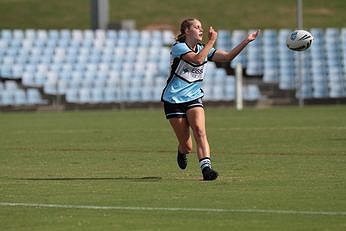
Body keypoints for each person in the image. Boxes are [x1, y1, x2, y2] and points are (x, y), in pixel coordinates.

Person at [161, 18, 260, 181]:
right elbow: (198, 59)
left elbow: (227, 57)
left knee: (200, 131)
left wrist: (246, 41)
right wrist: (212, 40)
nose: (201, 30)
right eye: (197, 27)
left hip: (193, 97)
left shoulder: (203, 48)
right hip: (173, 99)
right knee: (187, 146)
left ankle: (206, 169)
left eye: (201, 27)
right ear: (187, 31)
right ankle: (181, 150)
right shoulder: (179, 48)